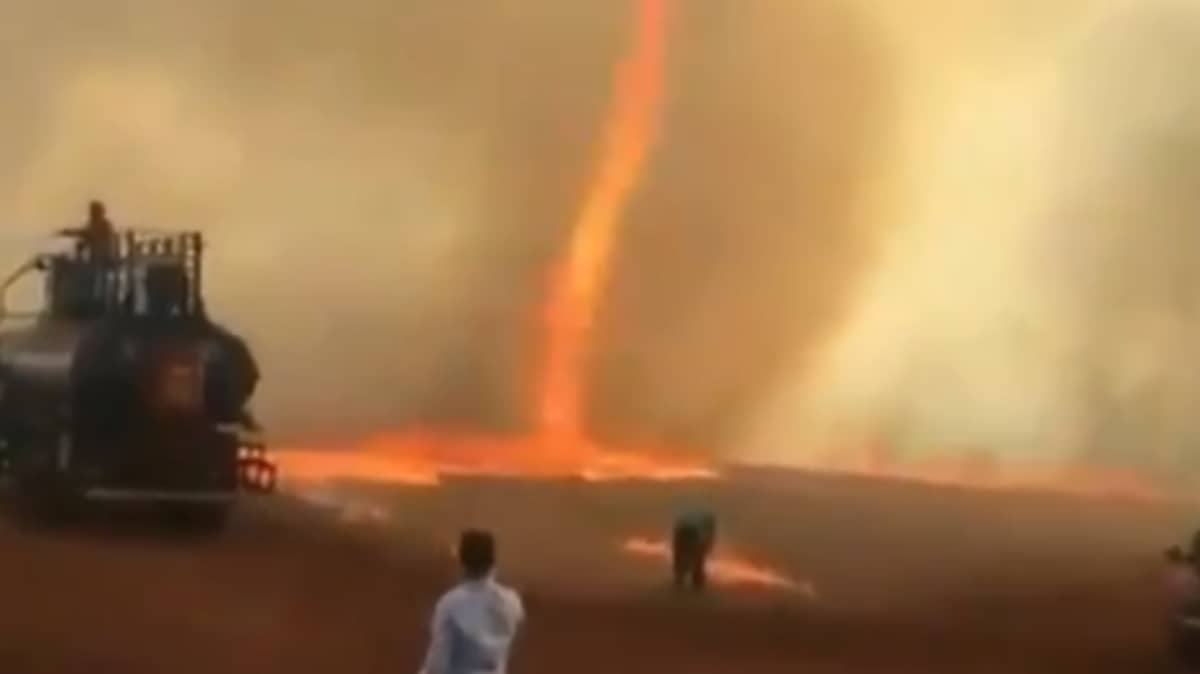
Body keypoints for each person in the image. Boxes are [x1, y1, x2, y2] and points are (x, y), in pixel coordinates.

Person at [419, 529, 524, 674]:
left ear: (462, 562)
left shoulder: (450, 604)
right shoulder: (512, 601)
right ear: (492, 561)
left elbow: (437, 664)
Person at [672, 508, 716, 592]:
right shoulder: (708, 521)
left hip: (682, 530)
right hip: (690, 531)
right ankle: (695, 579)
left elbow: (677, 544)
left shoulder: (689, 518)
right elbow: (708, 537)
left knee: (682, 556)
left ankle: (680, 578)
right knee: (697, 557)